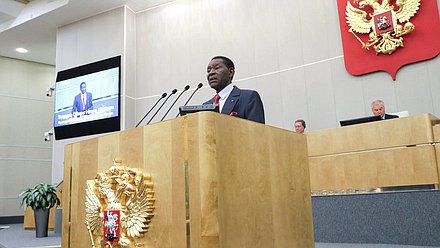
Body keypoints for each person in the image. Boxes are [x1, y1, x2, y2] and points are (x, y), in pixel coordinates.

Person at [203, 56, 265, 124]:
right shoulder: (206, 105)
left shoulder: (248, 97)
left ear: (231, 72)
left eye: (217, 68)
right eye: (208, 70)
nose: (211, 73)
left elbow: (257, 130)